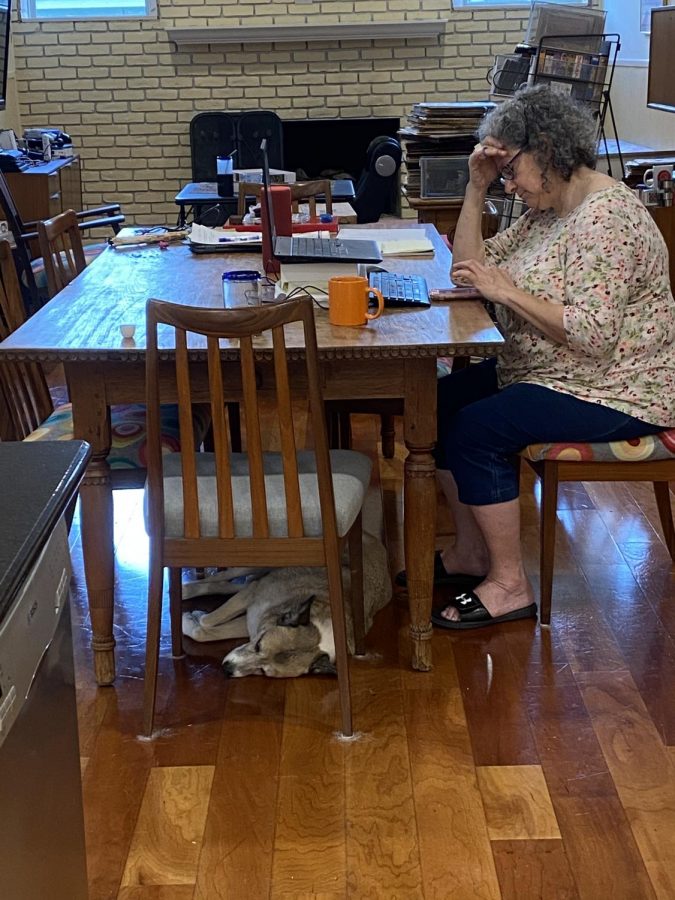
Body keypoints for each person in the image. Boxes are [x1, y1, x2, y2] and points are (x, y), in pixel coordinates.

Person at [398, 83, 675, 630]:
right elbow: (469, 270)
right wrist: (476, 192)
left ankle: (509, 584)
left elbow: (593, 335)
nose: (510, 184)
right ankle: (472, 554)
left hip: (618, 386)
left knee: (477, 429)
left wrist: (507, 293)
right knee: (436, 403)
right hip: (547, 372)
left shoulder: (607, 217)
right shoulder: (547, 209)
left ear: (545, 151)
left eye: (510, 170)